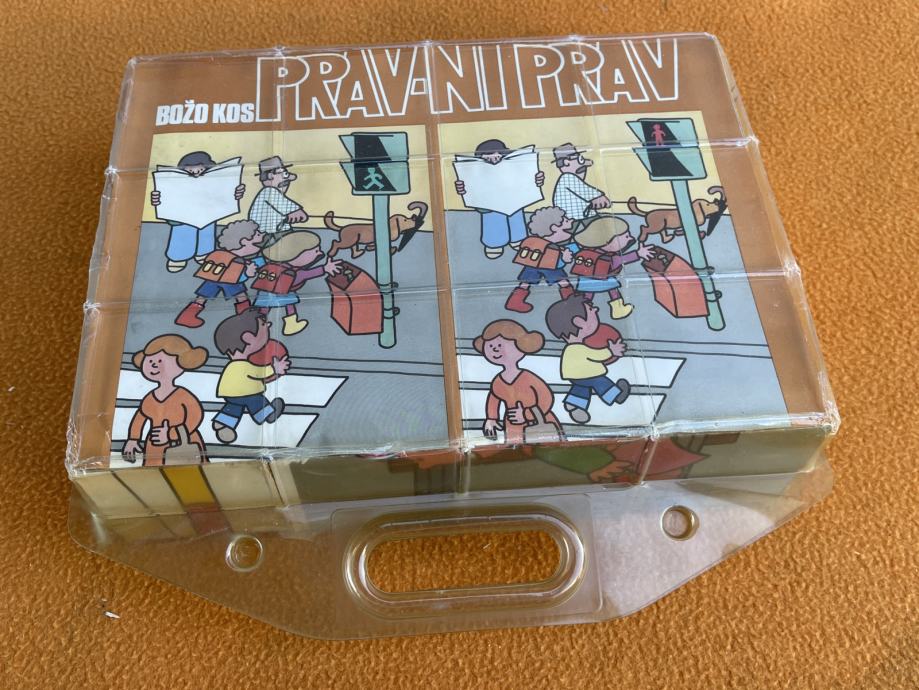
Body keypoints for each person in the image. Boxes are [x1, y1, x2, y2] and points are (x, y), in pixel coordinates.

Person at [150, 151, 246, 273]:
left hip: (207, 213)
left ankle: (203, 253)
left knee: (206, 234)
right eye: (190, 172)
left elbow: (224, 194)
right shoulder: (177, 183)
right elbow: (166, 198)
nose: (196, 174)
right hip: (182, 217)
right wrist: (158, 199)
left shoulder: (213, 182)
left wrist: (236, 191)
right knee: (183, 235)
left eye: (200, 171)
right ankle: (178, 257)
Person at [122, 334, 209, 466]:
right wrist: (133, 439)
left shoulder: (183, 396)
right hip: (155, 444)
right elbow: (140, 418)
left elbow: (195, 417)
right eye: (150, 361)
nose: (154, 365)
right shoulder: (150, 398)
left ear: (182, 362)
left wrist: (170, 434)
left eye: (160, 361)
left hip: (184, 441)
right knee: (154, 472)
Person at [545, 294, 631, 424]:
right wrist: (611, 350)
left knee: (581, 388)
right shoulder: (578, 347)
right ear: (579, 322)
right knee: (602, 383)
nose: (595, 309)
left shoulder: (571, 348)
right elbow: (597, 355)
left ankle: (574, 404)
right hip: (590, 375)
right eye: (591, 309)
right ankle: (615, 396)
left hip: (576, 376)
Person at [474, 319, 561, 445]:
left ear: (521, 345)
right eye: (491, 346)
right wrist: (491, 418)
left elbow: (546, 398)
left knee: (544, 449)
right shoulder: (498, 381)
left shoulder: (528, 377)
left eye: (500, 345)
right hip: (513, 425)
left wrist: (526, 414)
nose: (495, 350)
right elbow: (494, 398)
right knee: (517, 452)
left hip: (538, 421)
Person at [455, 139, 545, 259]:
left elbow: (528, 180)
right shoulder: (478, 171)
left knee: (516, 218)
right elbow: (470, 187)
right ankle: (494, 244)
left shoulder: (513, 165)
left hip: (514, 199)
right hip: (489, 204)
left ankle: (518, 239)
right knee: (493, 221)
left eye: (497, 156)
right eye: (487, 158)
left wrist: (536, 179)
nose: (493, 160)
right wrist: (463, 188)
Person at [211, 310, 290, 444]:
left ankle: (223, 423)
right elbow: (259, 372)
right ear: (248, 338)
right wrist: (275, 368)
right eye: (263, 324)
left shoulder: (233, 365)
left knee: (233, 407)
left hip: (230, 395)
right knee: (257, 402)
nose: (269, 325)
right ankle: (268, 415)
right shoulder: (243, 365)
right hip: (248, 394)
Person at [174, 219, 267, 328]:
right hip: (229, 279)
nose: (262, 236)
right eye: (258, 234)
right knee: (241, 296)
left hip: (216, 278)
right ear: (244, 241)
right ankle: (245, 318)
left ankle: (187, 316)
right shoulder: (236, 260)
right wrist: (248, 273)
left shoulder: (223, 255)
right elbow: (239, 276)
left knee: (204, 295)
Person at [252, 231, 341, 335]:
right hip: (283, 293)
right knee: (289, 306)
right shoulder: (295, 272)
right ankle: (291, 325)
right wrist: (325, 268)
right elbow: (308, 274)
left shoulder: (275, 266)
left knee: (264, 308)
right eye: (316, 251)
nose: (320, 253)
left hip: (266, 292)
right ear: (299, 254)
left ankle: (258, 323)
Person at [571, 215, 654, 319]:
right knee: (614, 291)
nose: (631, 238)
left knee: (587, 295)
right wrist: (638, 253)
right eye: (626, 236)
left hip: (586, 280)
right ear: (608, 241)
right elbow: (623, 259)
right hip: (602, 280)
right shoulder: (608, 257)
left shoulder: (590, 251)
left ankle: (582, 311)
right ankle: (618, 309)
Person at [505, 206, 577, 313]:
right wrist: (564, 259)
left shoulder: (537, 243)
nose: (571, 222)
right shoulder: (551, 248)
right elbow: (557, 262)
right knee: (562, 280)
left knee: (526, 281)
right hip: (548, 266)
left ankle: (515, 301)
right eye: (566, 221)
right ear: (554, 228)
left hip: (533, 265)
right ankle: (571, 301)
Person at [551, 143, 611, 227]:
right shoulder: (567, 177)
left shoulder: (572, 179)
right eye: (580, 160)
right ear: (567, 162)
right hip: (572, 221)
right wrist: (598, 197)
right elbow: (584, 190)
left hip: (584, 217)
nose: (584, 166)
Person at [248, 156, 308, 234]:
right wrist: (296, 213)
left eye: (285, 174)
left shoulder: (273, 193)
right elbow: (296, 212)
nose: (286, 181)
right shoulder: (268, 191)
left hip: (279, 233)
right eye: (282, 174)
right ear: (269, 177)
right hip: (265, 236)